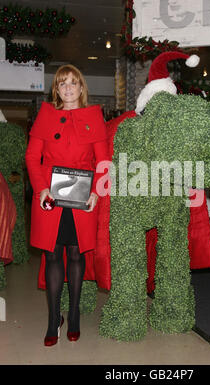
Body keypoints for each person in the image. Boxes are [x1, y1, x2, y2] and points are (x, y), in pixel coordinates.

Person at [25, 64, 108, 347]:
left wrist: (97, 192)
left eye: (73, 82)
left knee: (75, 254)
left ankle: (73, 315)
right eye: (63, 83)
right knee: (52, 255)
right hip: (50, 194)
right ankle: (53, 320)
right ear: (56, 89)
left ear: (82, 88)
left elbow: (103, 161)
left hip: (82, 194)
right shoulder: (46, 115)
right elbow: (32, 156)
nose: (68, 87)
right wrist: (41, 188)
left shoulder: (93, 116)